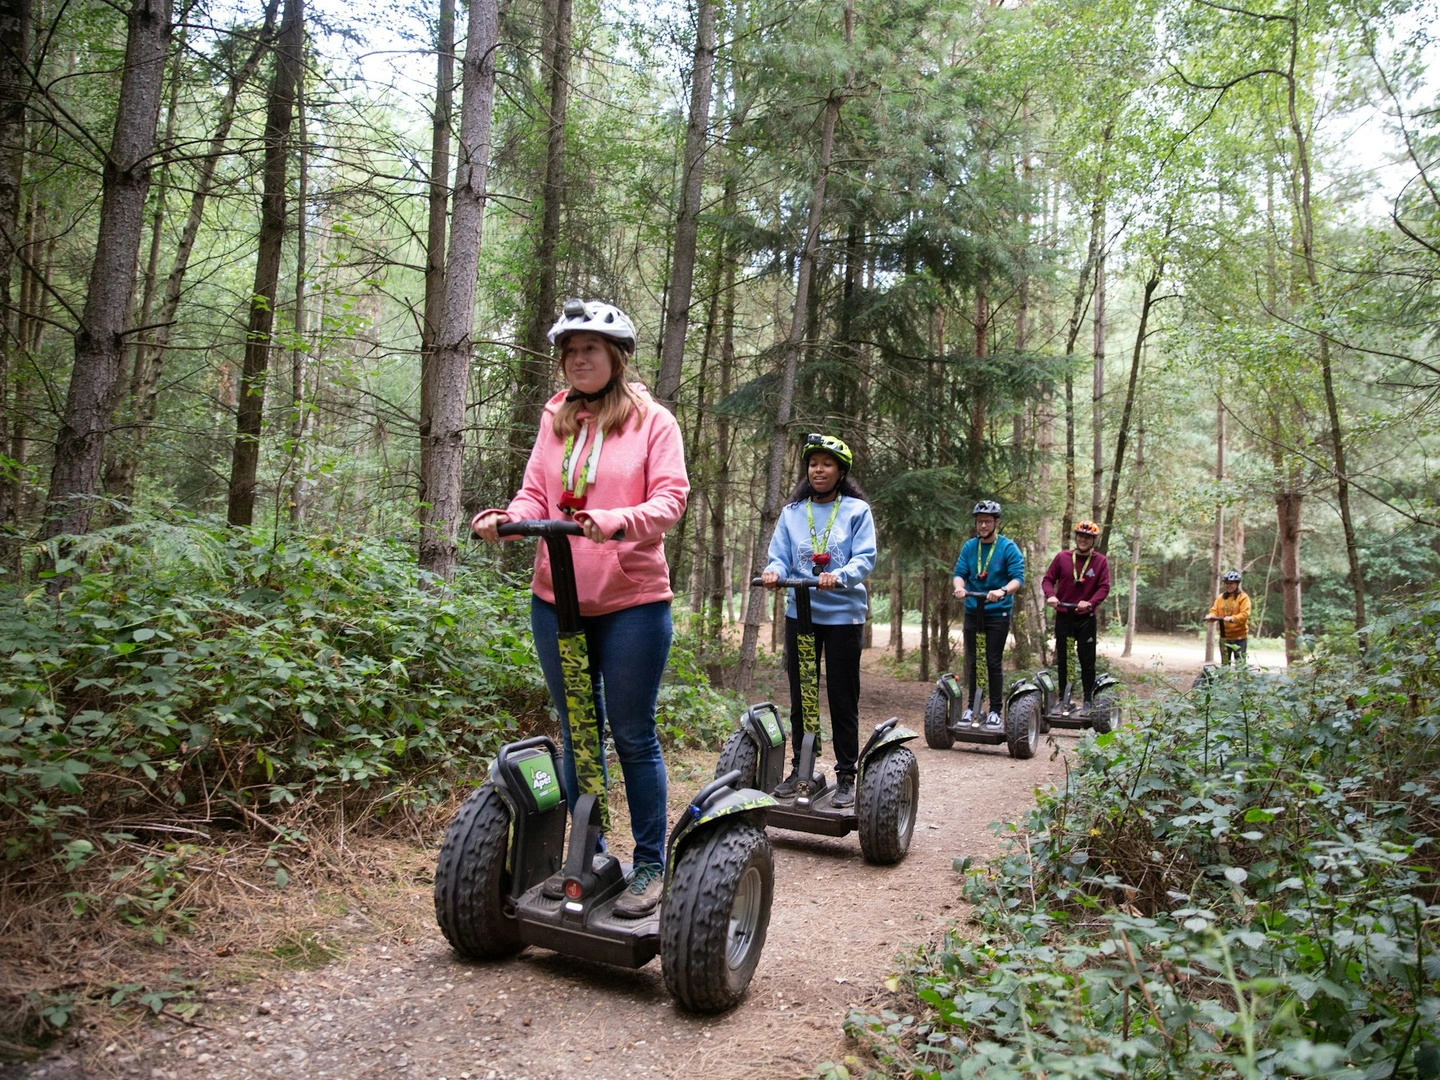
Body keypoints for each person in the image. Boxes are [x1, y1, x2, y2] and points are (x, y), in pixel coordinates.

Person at [471, 299, 688, 919]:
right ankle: (587, 853)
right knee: (576, 731)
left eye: (589, 349)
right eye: (569, 351)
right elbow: (537, 489)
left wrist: (615, 522)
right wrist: (509, 518)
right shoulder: (555, 416)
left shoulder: (654, 422)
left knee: (631, 732)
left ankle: (650, 862)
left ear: (617, 357)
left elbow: (671, 499)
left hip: (631, 601)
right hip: (556, 594)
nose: (578, 359)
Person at [761, 434, 877, 808]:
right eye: (813, 463)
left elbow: (865, 558)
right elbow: (779, 555)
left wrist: (840, 574)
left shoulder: (857, 511)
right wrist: (773, 571)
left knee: (843, 696)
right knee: (802, 696)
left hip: (843, 615)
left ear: (840, 471)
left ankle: (846, 775)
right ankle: (803, 767)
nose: (818, 470)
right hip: (801, 614)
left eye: (827, 464)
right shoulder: (793, 513)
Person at [952, 501, 1025, 730]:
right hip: (974, 610)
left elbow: (1017, 579)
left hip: (997, 613)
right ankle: (973, 707)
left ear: (996, 523)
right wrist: (959, 588)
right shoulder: (969, 547)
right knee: (974, 661)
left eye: (987, 521)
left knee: (992, 661)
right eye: (979, 521)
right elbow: (959, 573)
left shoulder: (1008, 547)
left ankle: (994, 711)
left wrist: (1002, 590)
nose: (982, 525)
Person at [1040, 519, 1112, 714]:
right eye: (1080, 536)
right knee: (1064, 659)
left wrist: (1090, 602)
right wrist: (1051, 595)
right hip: (1064, 615)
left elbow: (1104, 586)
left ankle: (1088, 700)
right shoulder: (1062, 558)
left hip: (1085, 618)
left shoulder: (1100, 561)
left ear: (1093, 540)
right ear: (1076, 537)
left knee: (1087, 660)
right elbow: (1047, 579)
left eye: (1088, 537)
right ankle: (1065, 698)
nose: (1083, 540)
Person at [1205, 570, 1251, 664]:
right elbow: (1214, 610)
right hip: (1224, 636)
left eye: (1232, 583)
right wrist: (1211, 616)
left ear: (1237, 584)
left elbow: (1245, 614)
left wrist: (1233, 618)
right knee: (1225, 663)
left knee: (1240, 664)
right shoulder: (1221, 597)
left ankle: (1241, 678)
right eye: (1227, 583)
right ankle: (1225, 678)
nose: (1229, 586)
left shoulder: (1243, 597)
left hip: (1239, 637)